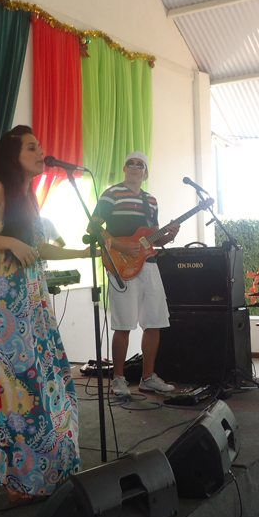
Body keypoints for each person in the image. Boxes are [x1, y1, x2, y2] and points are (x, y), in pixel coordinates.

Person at [0, 125, 87, 501]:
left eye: (40, 146)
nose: (40, 151)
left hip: (30, 300)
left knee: (42, 383)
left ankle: (45, 472)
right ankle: (17, 481)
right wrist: (11, 241)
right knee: (10, 390)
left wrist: (86, 253)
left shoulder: (28, 197)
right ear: (12, 156)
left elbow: (38, 248)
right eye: (32, 147)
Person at [90, 151, 180, 399]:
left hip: (149, 265)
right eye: (130, 163)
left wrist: (169, 235)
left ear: (145, 172)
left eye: (140, 164)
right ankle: (118, 378)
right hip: (122, 266)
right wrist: (119, 245)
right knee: (123, 324)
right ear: (124, 168)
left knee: (155, 321)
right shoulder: (111, 194)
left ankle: (148, 378)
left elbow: (153, 238)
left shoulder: (151, 201)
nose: (134, 166)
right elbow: (93, 226)